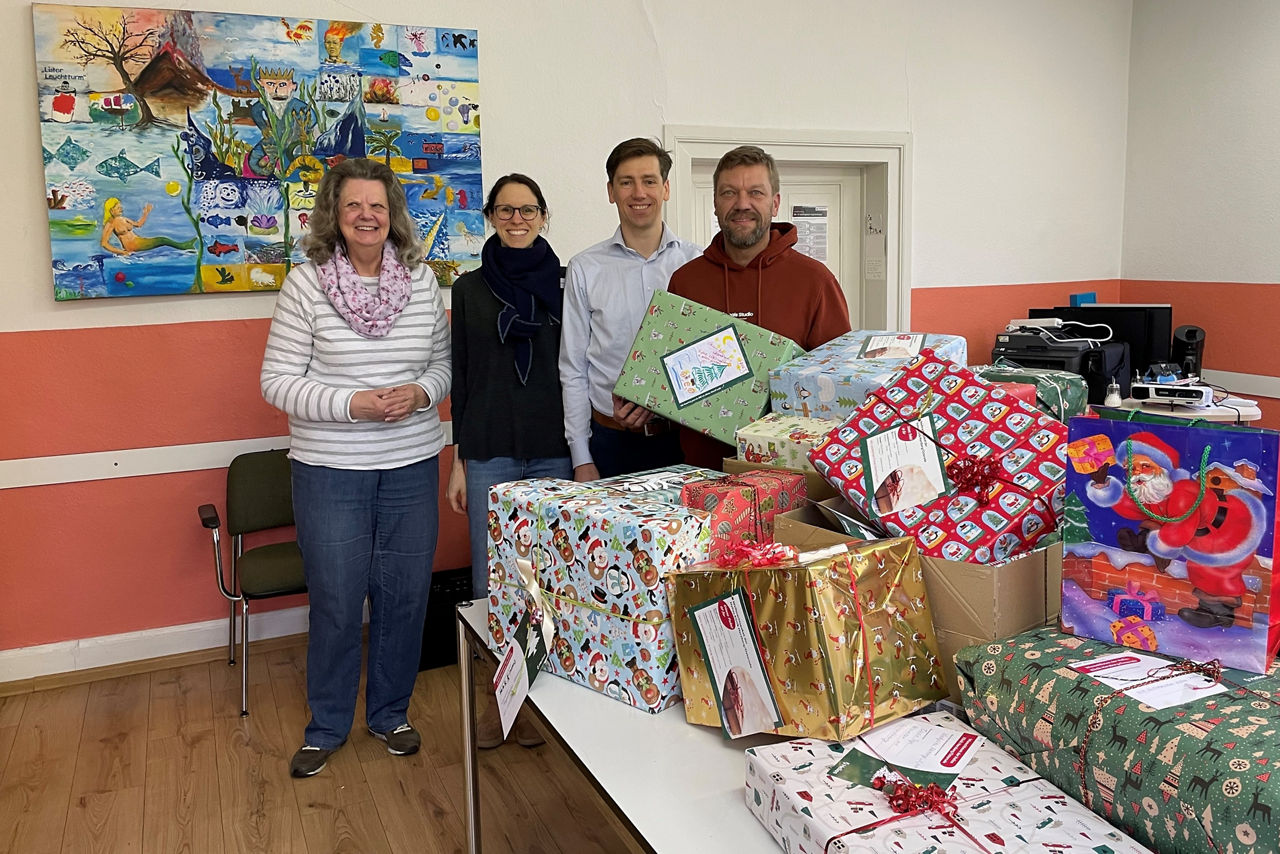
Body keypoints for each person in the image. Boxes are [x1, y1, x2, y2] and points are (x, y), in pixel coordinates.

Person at [260, 158, 451, 778]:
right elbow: (276, 383)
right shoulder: (305, 283)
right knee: (339, 600)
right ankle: (328, 725)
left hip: (412, 465)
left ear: (392, 214)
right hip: (329, 470)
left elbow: (444, 371)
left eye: (377, 205)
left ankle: (391, 714)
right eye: (353, 206)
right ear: (335, 217)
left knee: (404, 596)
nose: (367, 216)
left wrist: (420, 395)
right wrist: (352, 404)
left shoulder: (423, 281)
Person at [446, 173, 566, 749]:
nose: (517, 219)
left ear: (544, 215)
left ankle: (549, 708)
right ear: (489, 216)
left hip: (555, 452)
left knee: (551, 585)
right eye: (506, 210)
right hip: (489, 449)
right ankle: (502, 706)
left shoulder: (567, 284)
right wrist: (459, 461)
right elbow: (462, 379)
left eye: (528, 209)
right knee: (493, 586)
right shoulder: (468, 290)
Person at [668, 145, 851, 467]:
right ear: (714, 203)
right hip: (701, 470)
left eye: (755, 192)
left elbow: (837, 385)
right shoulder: (685, 282)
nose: (742, 204)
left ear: (775, 202)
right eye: (729, 193)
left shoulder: (815, 281)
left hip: (789, 471)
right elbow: (671, 380)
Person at [559, 138, 702, 481]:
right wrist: (581, 458)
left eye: (649, 181)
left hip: (685, 442)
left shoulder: (696, 263)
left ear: (666, 188)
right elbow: (574, 368)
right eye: (627, 182)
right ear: (611, 191)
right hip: (610, 445)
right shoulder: (584, 267)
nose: (639, 193)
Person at [1085, 431, 1267, 629]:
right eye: (1131, 468)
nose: (1137, 473)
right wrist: (1103, 486)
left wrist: (1159, 544)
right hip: (1197, 532)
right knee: (1157, 525)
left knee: (1210, 570)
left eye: (1145, 466)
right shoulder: (1156, 491)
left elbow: (1178, 532)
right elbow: (1134, 505)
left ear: (1163, 468)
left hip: (1228, 531)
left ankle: (1219, 613)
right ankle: (1142, 542)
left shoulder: (1183, 493)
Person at [100, 198, 195, 256]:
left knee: (162, 240)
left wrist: (146, 213)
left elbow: (138, 224)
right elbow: (104, 243)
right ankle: (185, 246)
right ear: (111, 210)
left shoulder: (123, 218)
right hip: (133, 246)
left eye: (120, 207)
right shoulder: (110, 224)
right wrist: (122, 252)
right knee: (162, 240)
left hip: (138, 240)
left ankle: (185, 246)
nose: (121, 209)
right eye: (118, 208)